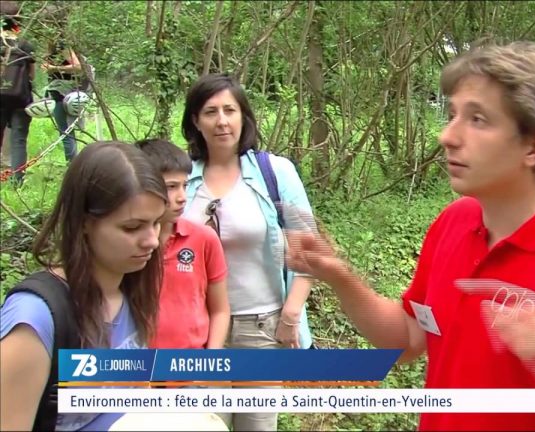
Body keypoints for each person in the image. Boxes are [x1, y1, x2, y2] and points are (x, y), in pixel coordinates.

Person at [284, 41, 535, 431]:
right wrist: (339, 276)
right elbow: (407, 338)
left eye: (478, 119)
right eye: (453, 114)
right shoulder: (454, 223)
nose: (448, 136)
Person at [180, 73, 316, 431]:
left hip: (263, 329)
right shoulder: (180, 178)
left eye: (230, 110)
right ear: (195, 120)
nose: (222, 121)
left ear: (244, 116)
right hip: (198, 331)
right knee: (205, 424)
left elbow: (307, 249)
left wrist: (290, 316)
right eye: (210, 111)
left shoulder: (275, 172)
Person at [0, 141, 167, 431]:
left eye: (156, 223)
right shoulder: (36, 319)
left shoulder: (132, 290)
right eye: (131, 227)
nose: (152, 240)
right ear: (85, 223)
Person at [135, 138, 230, 350]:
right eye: (171, 187)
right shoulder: (128, 247)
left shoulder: (204, 239)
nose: (182, 197)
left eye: (185, 186)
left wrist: (210, 362)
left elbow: (220, 310)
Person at [0, 0, 34, 183]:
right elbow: (32, 76)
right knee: (18, 140)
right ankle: (17, 181)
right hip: (21, 99)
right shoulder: (25, 45)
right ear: (18, 20)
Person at [41, 39, 81, 163]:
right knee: (66, 130)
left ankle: (71, 164)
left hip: (62, 93)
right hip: (56, 91)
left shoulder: (61, 46)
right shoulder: (52, 49)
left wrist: (54, 68)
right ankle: (73, 162)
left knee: (65, 131)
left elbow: (77, 66)